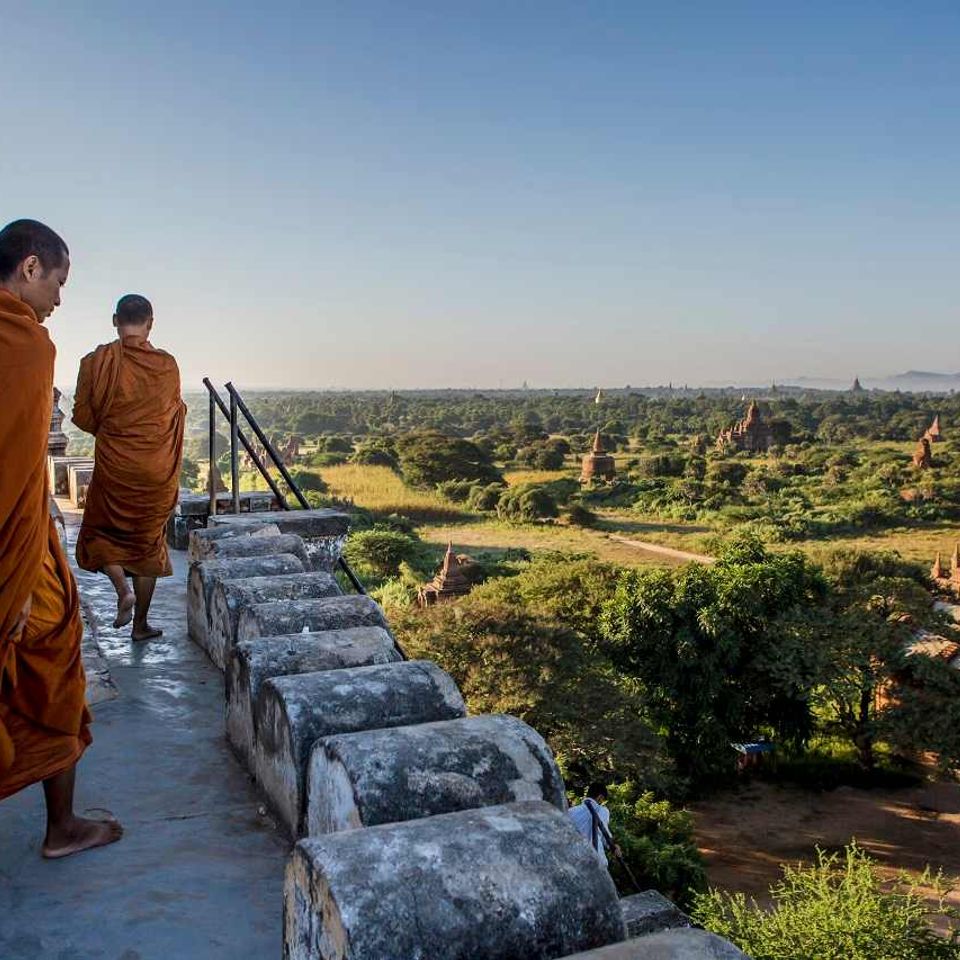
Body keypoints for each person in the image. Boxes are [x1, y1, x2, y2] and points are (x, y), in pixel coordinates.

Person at [0, 218, 123, 856]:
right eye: (59, 281)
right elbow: (17, 467)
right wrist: (16, 581)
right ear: (29, 267)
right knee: (53, 659)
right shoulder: (25, 344)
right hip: (11, 548)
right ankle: (62, 827)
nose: (59, 299)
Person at [74, 294, 186, 641]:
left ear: (114, 321)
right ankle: (140, 626)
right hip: (155, 472)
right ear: (150, 323)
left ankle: (122, 588)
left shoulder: (95, 362)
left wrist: (114, 432)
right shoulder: (166, 365)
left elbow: (82, 415)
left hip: (115, 466)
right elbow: (174, 414)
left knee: (102, 532)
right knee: (148, 545)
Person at [568, 783, 619, 866]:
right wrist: (614, 846)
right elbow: (604, 833)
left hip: (574, 859)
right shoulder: (602, 810)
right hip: (595, 860)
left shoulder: (571, 811)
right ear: (600, 797)